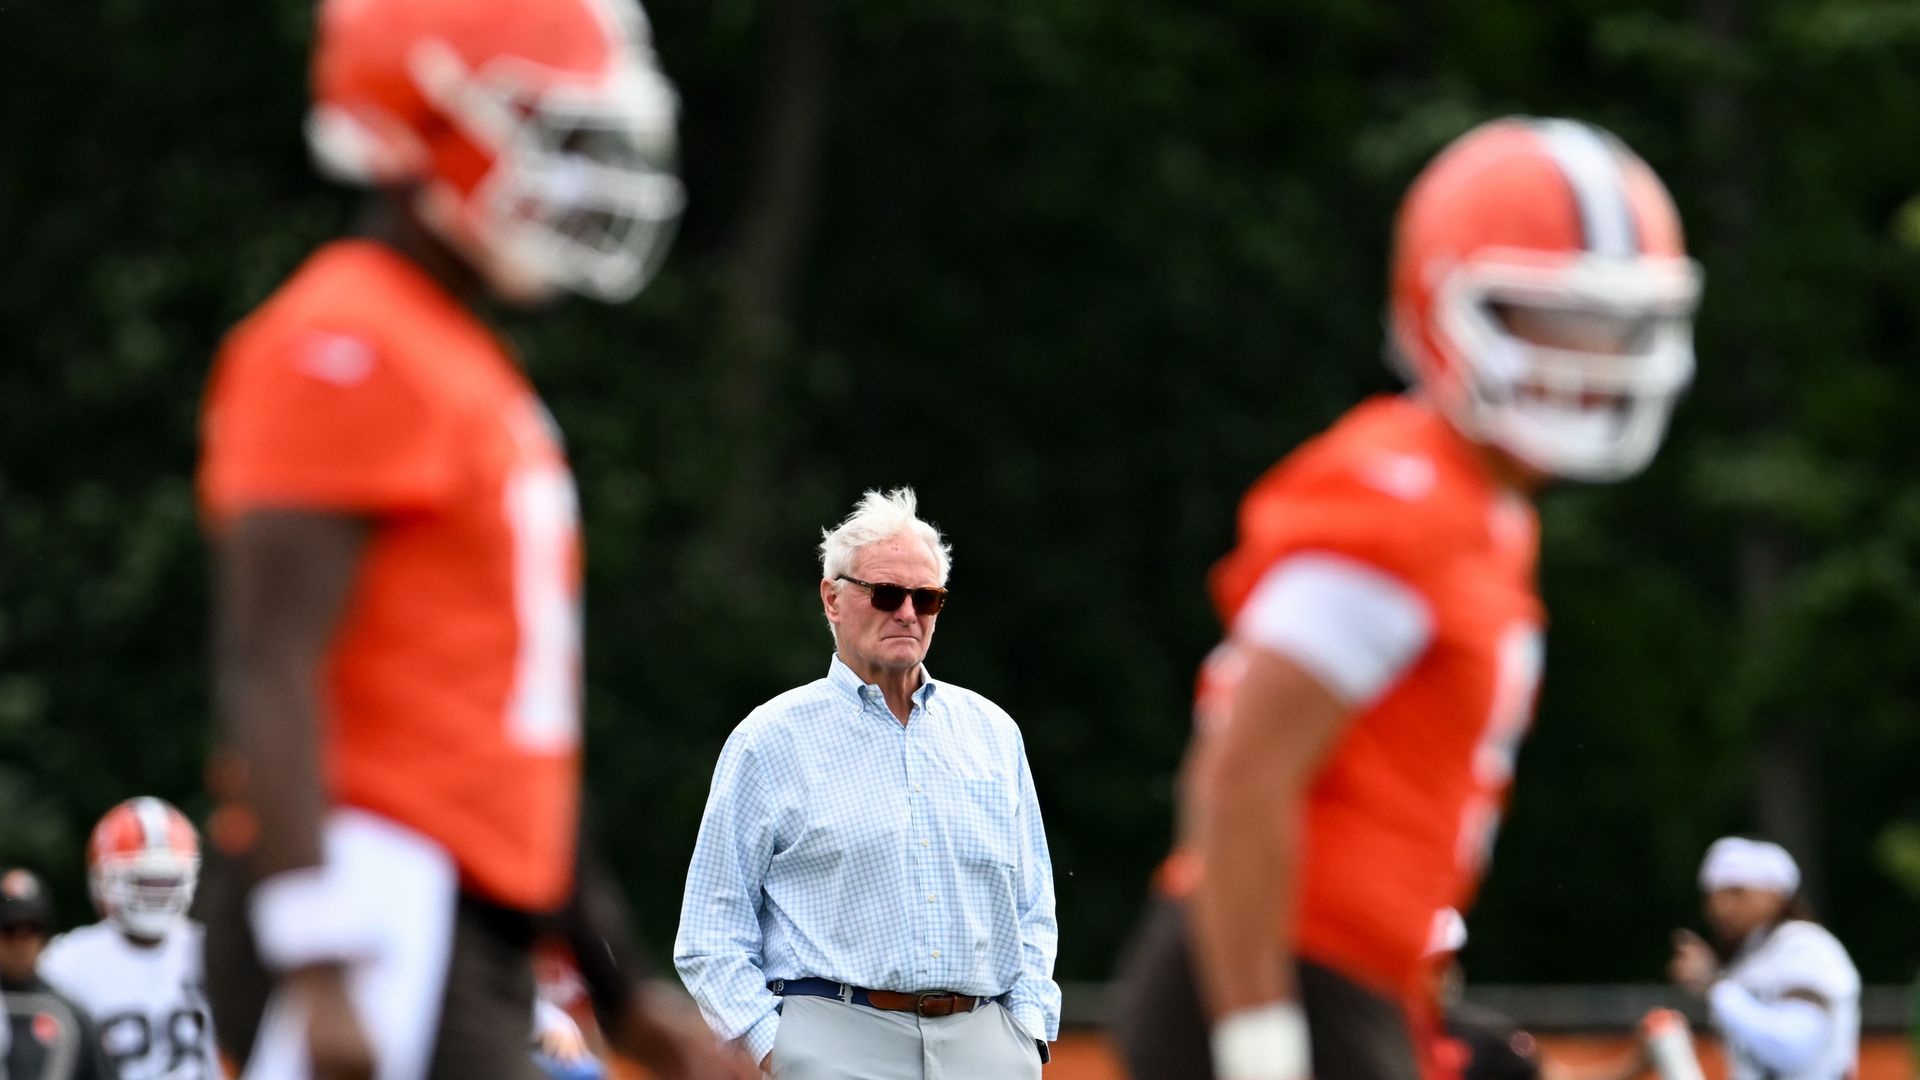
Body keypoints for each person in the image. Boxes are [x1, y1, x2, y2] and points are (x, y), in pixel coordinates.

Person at [194, 0, 752, 1077]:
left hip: (464, 919)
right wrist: (319, 954)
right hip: (373, 897)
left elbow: (509, 739)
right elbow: (268, 659)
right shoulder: (343, 339)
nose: (579, 174)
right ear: (430, 124)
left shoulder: (463, 366)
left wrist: (617, 985)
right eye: (549, 131)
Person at [1111, 116, 1703, 1080]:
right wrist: (1258, 1036)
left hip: (1346, 978)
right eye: (1546, 317)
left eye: (1609, 324)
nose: (1584, 357)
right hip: (1272, 970)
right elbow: (1242, 775)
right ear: (1441, 304)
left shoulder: (1479, 509)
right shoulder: (1403, 499)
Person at [675, 487, 1061, 1079]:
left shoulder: (994, 735)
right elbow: (711, 932)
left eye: (927, 598)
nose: (907, 611)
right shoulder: (769, 740)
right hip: (832, 1040)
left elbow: (1033, 909)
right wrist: (776, 1050)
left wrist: (1027, 1033)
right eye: (886, 593)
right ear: (832, 598)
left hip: (988, 1045)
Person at [34, 798, 214, 1080]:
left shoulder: (209, 950)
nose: (155, 894)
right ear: (104, 880)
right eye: (142, 882)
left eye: (167, 882)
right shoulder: (66, 962)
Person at [1668, 838, 1859, 1080]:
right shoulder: (1751, 956)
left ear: (1776, 894)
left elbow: (1792, 1049)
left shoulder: (1805, 947)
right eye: (1712, 896)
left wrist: (1716, 986)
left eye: (1736, 892)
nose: (1719, 907)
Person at [1, 866, 120, 1080]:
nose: (21, 944)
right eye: (9, 930)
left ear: (45, 937)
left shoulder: (70, 1016)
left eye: (32, 930)